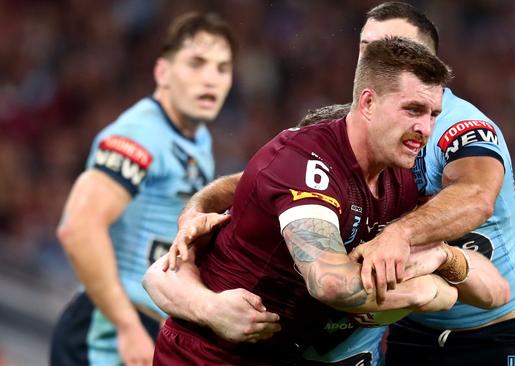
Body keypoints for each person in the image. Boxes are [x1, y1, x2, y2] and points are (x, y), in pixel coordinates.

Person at [159, 2, 515, 366]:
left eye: (394, 46)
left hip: (492, 332)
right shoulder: (350, 134)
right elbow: (263, 179)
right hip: (396, 327)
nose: (376, 56)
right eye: (367, 47)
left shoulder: (453, 130)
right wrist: (198, 208)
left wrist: (410, 242)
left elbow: (478, 197)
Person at [149, 37, 462, 365]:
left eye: (433, 114)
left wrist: (445, 262)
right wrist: (210, 308)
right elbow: (160, 273)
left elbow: (491, 290)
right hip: (209, 355)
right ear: (368, 104)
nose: (426, 128)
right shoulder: (304, 165)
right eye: (413, 109)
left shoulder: (402, 175)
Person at [49, 12, 278, 366]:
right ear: (163, 72)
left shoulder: (195, 138)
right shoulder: (139, 135)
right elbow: (78, 228)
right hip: (107, 331)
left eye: (222, 68)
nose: (211, 79)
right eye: (196, 64)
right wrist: (127, 327)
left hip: (148, 323)